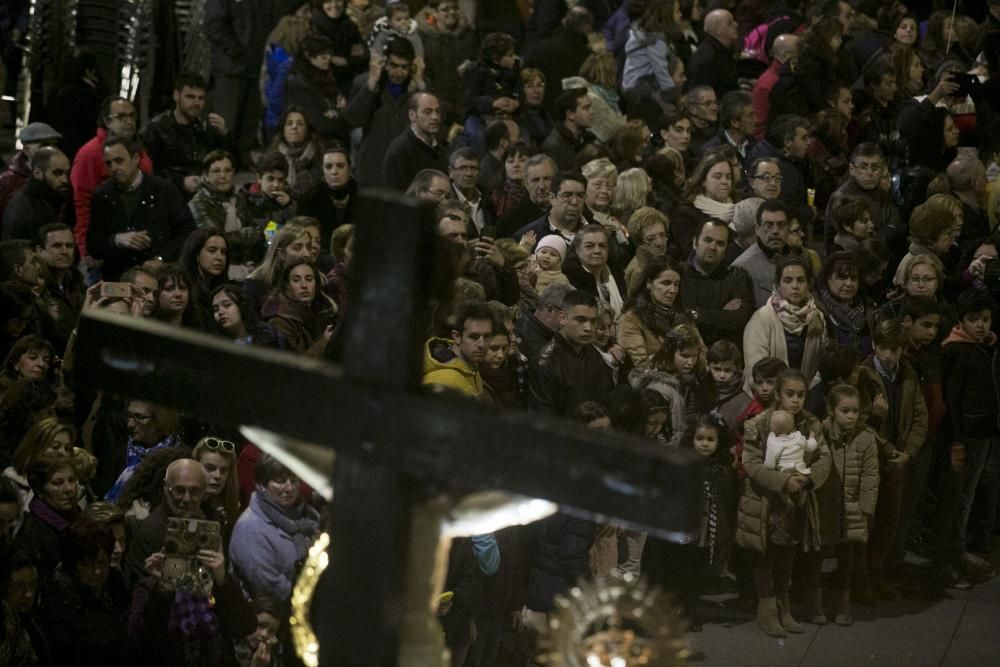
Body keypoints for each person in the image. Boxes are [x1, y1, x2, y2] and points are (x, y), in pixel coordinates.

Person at [737, 369, 830, 638]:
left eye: (801, 395)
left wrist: (807, 479)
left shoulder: (811, 424)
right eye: (790, 394)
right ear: (778, 395)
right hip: (767, 501)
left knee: (788, 553)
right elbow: (751, 463)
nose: (796, 400)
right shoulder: (759, 424)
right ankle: (766, 607)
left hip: (797, 500)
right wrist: (781, 481)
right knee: (765, 555)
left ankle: (783, 603)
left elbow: (824, 458)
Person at [935, 289, 1000, 586]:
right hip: (965, 437)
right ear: (962, 321)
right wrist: (957, 441)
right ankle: (946, 561)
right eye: (974, 319)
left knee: (967, 496)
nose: (981, 325)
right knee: (956, 499)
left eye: (985, 319)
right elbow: (953, 401)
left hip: (981, 434)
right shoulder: (957, 350)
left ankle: (957, 553)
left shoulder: (984, 347)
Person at [805, 384, 879, 626]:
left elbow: (870, 476)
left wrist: (865, 509)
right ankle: (815, 603)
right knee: (817, 554)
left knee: (846, 557)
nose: (851, 416)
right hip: (825, 503)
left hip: (851, 506)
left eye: (855, 411)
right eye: (845, 410)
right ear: (831, 410)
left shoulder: (866, 439)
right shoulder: (819, 433)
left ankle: (842, 604)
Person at [87, 137, 196, 280]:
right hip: (118, 278)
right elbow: (94, 244)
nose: (113, 168)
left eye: (119, 161)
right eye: (109, 163)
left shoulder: (164, 190)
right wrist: (117, 239)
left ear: (136, 158)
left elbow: (187, 232)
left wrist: (161, 259)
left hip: (159, 277)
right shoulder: (102, 195)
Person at [36, 517, 131, 665]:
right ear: (73, 565)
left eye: (102, 563)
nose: (97, 571)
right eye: (87, 564)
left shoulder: (115, 582)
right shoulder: (58, 596)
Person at [71, 97, 154, 263]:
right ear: (107, 121)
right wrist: (85, 248)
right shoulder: (90, 153)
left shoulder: (138, 149)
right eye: (122, 117)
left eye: (132, 116)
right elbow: (83, 203)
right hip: (104, 242)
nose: (129, 122)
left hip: (138, 241)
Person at [229, 454, 320, 602]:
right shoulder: (250, 527)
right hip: (270, 615)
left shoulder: (310, 516)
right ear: (262, 485)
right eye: (280, 481)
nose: (289, 488)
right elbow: (270, 587)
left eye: (294, 480)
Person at [343, 36, 424, 188]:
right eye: (394, 65)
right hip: (372, 171)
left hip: (404, 174)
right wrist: (371, 86)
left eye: (404, 67)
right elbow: (353, 119)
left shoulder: (418, 88)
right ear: (385, 63)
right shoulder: (365, 83)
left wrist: (420, 86)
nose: (399, 72)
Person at [743, 256, 827, 393]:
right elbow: (755, 371)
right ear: (778, 284)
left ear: (809, 283)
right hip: (766, 397)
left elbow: (820, 365)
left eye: (800, 280)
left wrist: (803, 394)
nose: (795, 286)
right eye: (788, 280)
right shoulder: (762, 318)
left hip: (804, 397)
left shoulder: (817, 317)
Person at [140, 71, 232, 197]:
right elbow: (145, 172)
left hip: (204, 197)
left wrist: (224, 134)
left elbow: (228, 164)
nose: (196, 103)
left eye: (201, 98)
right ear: (176, 96)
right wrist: (180, 182)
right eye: (190, 97)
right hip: (166, 197)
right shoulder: (155, 130)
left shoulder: (206, 128)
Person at [529, 290, 615, 415]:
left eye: (593, 321)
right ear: (562, 318)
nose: (588, 328)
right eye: (581, 320)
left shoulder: (593, 353)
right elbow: (544, 420)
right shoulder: (545, 364)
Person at [682, 218, 754, 345]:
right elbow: (676, 316)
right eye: (708, 240)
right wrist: (721, 314)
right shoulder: (678, 273)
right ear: (695, 243)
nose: (713, 247)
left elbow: (738, 319)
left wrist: (695, 314)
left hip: (723, 354)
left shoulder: (736, 276)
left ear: (726, 250)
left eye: (720, 243)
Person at [14, 454, 81, 577]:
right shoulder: (32, 533)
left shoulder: (80, 517)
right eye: (58, 483)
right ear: (39, 489)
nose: (69, 488)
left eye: (72, 480)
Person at [104, 399, 182, 503]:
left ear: (161, 420)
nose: (130, 424)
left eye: (139, 417)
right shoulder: (118, 451)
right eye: (128, 416)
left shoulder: (180, 459)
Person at [616, 256, 687, 368]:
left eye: (676, 284)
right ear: (649, 283)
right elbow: (641, 366)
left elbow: (701, 353)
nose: (672, 290)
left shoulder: (681, 316)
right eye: (666, 283)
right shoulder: (631, 320)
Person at [284, 34, 349, 146]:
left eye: (330, 53)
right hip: (316, 143)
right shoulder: (299, 85)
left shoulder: (326, 78)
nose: (328, 58)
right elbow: (320, 124)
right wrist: (339, 112)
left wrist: (334, 112)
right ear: (309, 55)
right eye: (323, 55)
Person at [418, 0, 478, 120]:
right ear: (433, 13)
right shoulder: (423, 39)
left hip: (468, 104)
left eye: (455, 8)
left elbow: (478, 62)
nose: (452, 12)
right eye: (445, 9)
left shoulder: (469, 34)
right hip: (438, 108)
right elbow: (423, 76)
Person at [243, 218, 315, 316]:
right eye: (297, 248)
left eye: (308, 247)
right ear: (281, 253)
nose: (306, 254)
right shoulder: (255, 284)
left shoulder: (316, 281)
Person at [669, 150, 736, 256]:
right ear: (703, 180)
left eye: (728, 177)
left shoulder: (737, 207)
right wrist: (720, 224)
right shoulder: (684, 213)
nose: (724, 181)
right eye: (717, 177)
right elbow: (690, 252)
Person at [261, 262, 336, 356]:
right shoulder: (280, 321)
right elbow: (293, 365)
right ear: (287, 286)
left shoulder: (319, 309)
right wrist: (324, 341)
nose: (304, 285)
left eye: (309, 279)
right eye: (296, 280)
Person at [297, 146, 358, 261]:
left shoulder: (364, 200)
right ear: (323, 170)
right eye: (328, 167)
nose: (334, 172)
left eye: (340, 166)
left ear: (350, 169)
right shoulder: (308, 200)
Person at [2, 146, 74, 243]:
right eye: (57, 173)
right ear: (37, 173)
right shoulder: (21, 208)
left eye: (67, 173)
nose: (65, 180)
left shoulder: (64, 200)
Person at [422, 302, 493, 398]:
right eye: (474, 336)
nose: (482, 344)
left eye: (487, 336)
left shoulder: (470, 366)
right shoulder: (441, 381)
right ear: (457, 337)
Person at [732, 198, 790, 308]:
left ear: (788, 228)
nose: (775, 231)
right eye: (769, 225)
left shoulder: (800, 257)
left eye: (781, 225)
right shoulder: (742, 267)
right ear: (757, 229)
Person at [383, 92, 446, 191]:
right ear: (412, 115)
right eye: (427, 112)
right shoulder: (400, 151)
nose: (435, 117)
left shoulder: (439, 147)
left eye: (438, 111)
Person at [563, 224, 627, 319]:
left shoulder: (617, 273)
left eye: (602, 246)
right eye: (589, 246)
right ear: (577, 249)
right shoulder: (569, 279)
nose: (597, 250)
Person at [0, 122, 62, 214]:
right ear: (26, 150)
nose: (52, 150)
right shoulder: (6, 182)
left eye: (54, 145)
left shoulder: (61, 177)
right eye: (45, 145)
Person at [267, 107, 324, 198]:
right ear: (283, 129)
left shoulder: (319, 156)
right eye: (289, 123)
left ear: (307, 130)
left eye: (300, 124)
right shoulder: (272, 157)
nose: (294, 127)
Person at [541, 88, 601, 173]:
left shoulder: (589, 139)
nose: (592, 112)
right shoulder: (554, 148)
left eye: (591, 107)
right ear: (570, 114)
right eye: (586, 108)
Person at [752, 34, 800, 139]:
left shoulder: (786, 78)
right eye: (799, 53)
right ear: (787, 55)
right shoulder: (767, 85)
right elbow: (758, 128)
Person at [687, 9, 740, 96]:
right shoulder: (708, 57)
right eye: (730, 23)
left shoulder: (723, 51)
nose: (736, 24)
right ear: (717, 29)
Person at [211, 284, 282, 348]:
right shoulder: (214, 346)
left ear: (242, 306)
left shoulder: (268, 336)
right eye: (215, 309)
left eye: (227, 305)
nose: (220, 312)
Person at [448, 147, 495, 240]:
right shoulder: (445, 201)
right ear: (451, 172)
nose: (469, 173)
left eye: (473, 168)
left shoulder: (488, 198)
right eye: (463, 168)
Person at [152, 264, 199, 329]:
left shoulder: (198, 329)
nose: (178, 294)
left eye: (182, 288)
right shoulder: (147, 327)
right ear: (156, 294)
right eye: (169, 289)